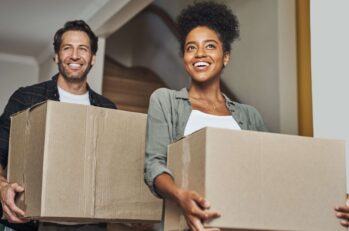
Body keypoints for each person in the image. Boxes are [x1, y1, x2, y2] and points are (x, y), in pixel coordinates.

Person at [144, 2, 267, 231]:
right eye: (191, 48)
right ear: (184, 58)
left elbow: (271, 172)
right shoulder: (165, 101)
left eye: (210, 46)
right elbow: (154, 166)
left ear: (226, 56)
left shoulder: (250, 116)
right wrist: (181, 196)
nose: (200, 53)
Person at [0, 20, 116, 231]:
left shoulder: (107, 109)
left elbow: (113, 171)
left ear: (93, 58)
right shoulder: (26, 98)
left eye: (83, 49)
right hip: (29, 220)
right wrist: (2, 187)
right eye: (67, 48)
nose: (74, 55)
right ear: (56, 56)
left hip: (90, 224)